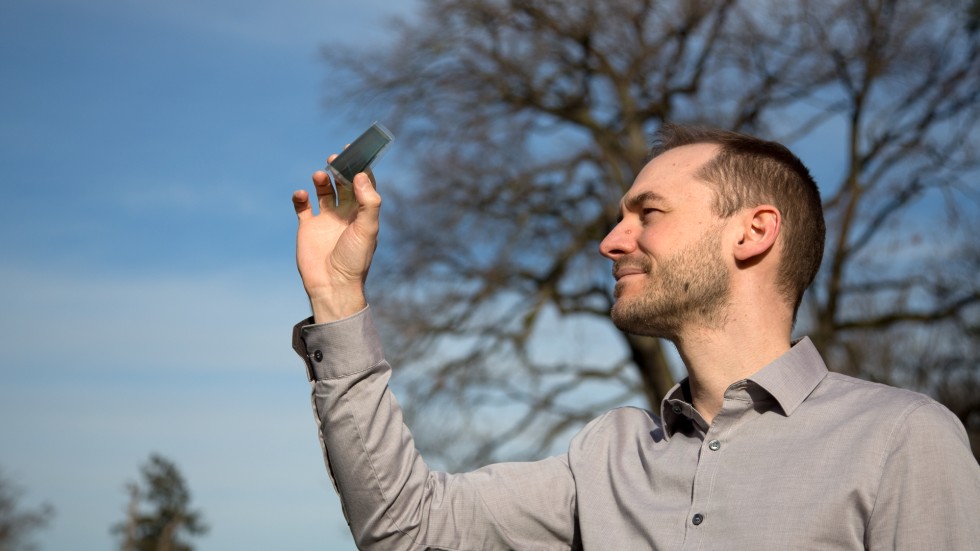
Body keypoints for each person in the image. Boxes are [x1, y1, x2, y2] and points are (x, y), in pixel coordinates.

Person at [290, 125, 980, 550]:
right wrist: (337, 299)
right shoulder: (605, 460)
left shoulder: (902, 440)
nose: (611, 240)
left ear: (753, 232)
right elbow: (407, 527)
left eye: (647, 212)